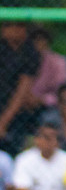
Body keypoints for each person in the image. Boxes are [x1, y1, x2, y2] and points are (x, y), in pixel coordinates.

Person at [0, 20, 41, 152]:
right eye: (12, 25)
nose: (18, 30)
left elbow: (22, 91)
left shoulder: (30, 52)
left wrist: (3, 122)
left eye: (21, 26)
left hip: (17, 109)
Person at [27, 26, 66, 112]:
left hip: (50, 107)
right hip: (23, 105)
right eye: (35, 40)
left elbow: (62, 93)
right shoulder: (22, 61)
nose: (38, 44)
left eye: (41, 39)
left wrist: (42, 99)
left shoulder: (57, 62)